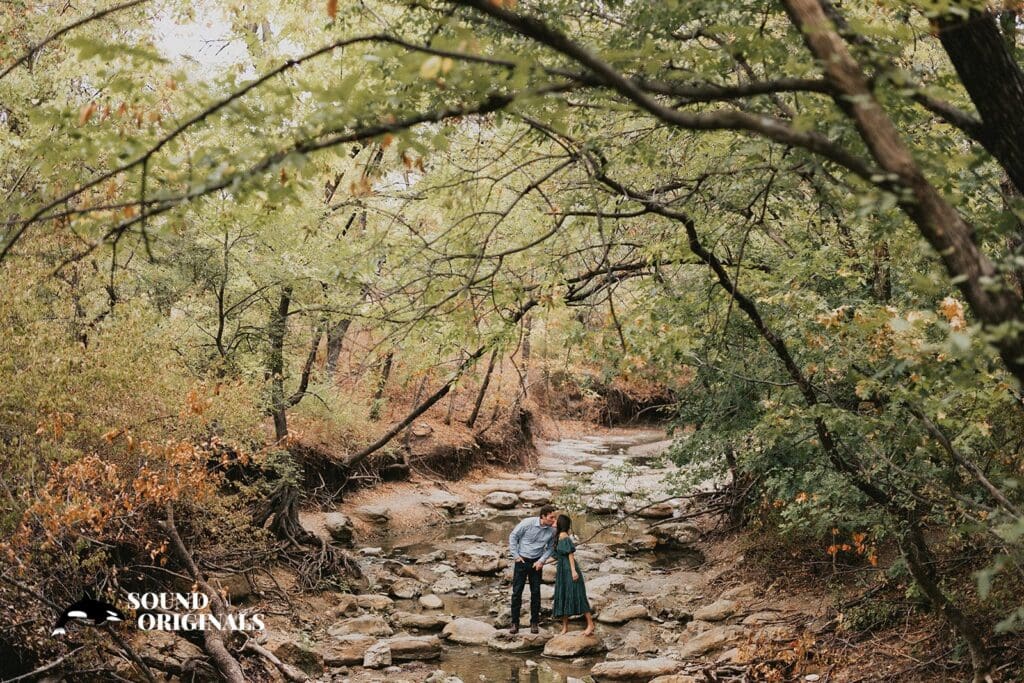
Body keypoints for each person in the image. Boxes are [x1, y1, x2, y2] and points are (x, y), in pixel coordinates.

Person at [508, 504, 558, 634]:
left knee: (536, 593)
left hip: (537, 563)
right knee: (517, 592)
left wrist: (542, 560)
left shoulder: (552, 530)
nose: (554, 520)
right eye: (551, 517)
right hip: (522, 561)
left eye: (554, 517)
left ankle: (534, 623)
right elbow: (513, 536)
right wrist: (516, 555)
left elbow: (551, 547)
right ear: (543, 516)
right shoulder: (527, 523)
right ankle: (514, 624)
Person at [552, 514, 595, 636]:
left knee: (579, 595)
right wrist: (541, 562)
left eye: (556, 520)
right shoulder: (558, 536)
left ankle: (590, 624)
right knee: (563, 596)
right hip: (562, 571)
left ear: (560, 523)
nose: (554, 521)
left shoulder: (564, 536)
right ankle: (565, 627)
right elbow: (557, 556)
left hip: (569, 570)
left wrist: (573, 571)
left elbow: (570, 554)